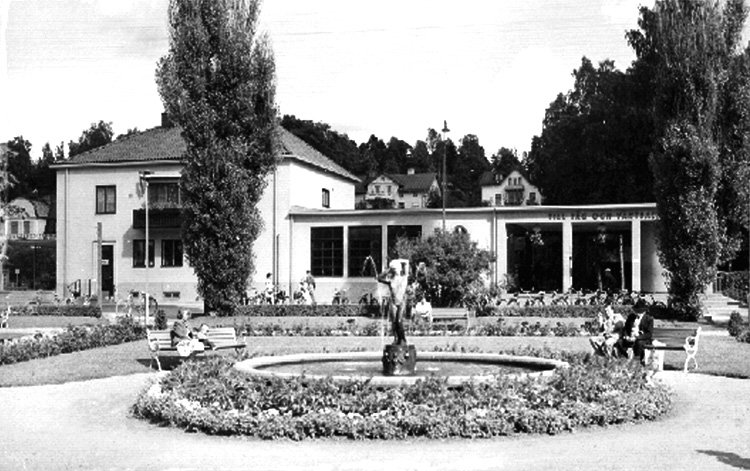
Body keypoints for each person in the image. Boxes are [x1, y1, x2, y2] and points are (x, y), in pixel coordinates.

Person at [377, 260, 409, 345]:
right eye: (393, 269)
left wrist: (402, 261)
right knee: (394, 322)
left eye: (395, 269)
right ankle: (396, 339)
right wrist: (388, 270)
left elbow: (407, 264)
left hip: (401, 302)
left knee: (399, 321)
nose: (395, 270)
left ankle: (403, 339)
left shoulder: (404, 278)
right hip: (393, 302)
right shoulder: (391, 280)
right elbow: (379, 278)